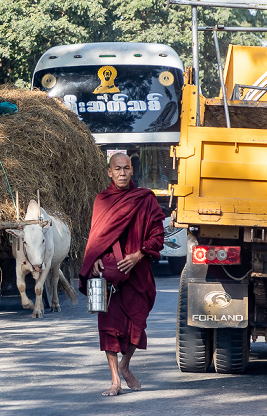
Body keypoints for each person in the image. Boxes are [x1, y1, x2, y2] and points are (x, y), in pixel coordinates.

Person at [78, 153, 165, 397]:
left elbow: (158, 236)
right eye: (118, 169)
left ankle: (126, 364)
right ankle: (115, 380)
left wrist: (138, 255)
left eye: (127, 168)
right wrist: (94, 257)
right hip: (108, 274)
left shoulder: (145, 199)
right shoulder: (102, 200)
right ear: (109, 172)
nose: (123, 173)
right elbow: (97, 236)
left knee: (138, 322)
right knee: (108, 327)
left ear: (132, 170)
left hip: (137, 272)